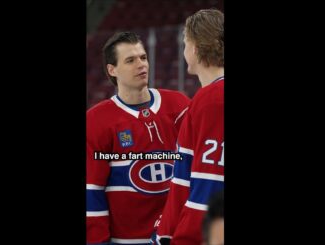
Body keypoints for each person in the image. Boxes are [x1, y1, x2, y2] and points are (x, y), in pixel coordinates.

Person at [86, 31, 190, 245]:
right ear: (112, 69)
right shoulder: (96, 120)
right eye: (130, 60)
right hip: (126, 240)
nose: (141, 64)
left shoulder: (179, 105)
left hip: (176, 236)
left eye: (143, 57)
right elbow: (92, 189)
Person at [155, 9, 224, 245]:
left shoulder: (211, 100)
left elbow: (205, 188)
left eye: (186, 43)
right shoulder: (205, 99)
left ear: (194, 49)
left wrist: (176, 237)